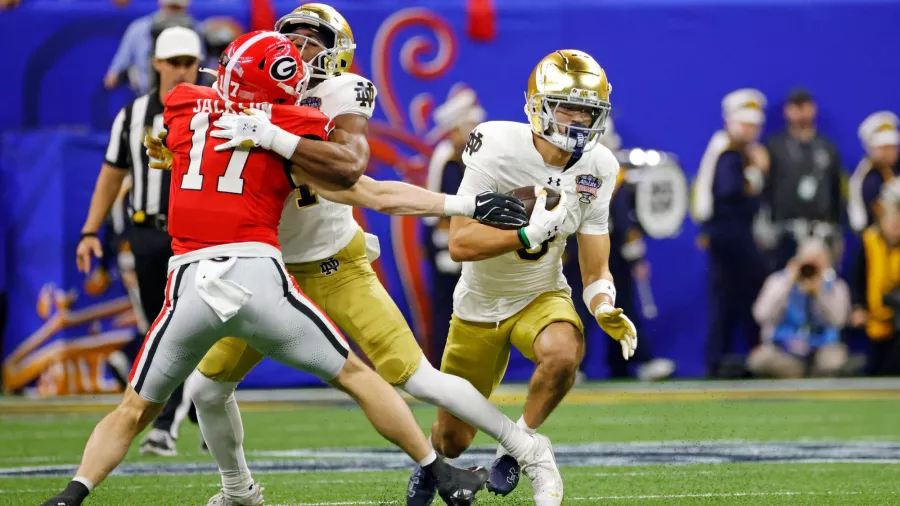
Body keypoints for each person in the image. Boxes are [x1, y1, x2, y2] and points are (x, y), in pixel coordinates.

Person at [41, 31, 490, 506]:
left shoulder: (182, 104)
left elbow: (198, 118)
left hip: (191, 280)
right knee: (357, 375)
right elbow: (349, 173)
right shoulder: (295, 119)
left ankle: (74, 493)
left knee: (136, 408)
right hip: (258, 275)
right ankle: (439, 472)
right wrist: (282, 129)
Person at [146, 6, 558, 506]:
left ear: (336, 57)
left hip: (334, 264)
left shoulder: (337, 95)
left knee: (417, 377)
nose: (298, 52)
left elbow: (353, 173)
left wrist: (273, 134)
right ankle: (238, 491)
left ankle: (527, 447)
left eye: (312, 43)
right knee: (207, 389)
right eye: (290, 41)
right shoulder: (244, 94)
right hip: (266, 270)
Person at [405, 49, 638, 506]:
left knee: (564, 352)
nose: (579, 118)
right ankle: (431, 462)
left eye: (588, 109)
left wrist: (604, 303)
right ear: (537, 104)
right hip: (478, 302)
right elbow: (461, 243)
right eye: (567, 105)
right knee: (452, 439)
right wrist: (528, 232)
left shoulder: (599, 166)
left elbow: (594, 267)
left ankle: (520, 446)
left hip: (541, 294)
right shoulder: (495, 144)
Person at [78, 27, 204, 456]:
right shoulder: (132, 115)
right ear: (156, 63)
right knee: (158, 327)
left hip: (201, 233)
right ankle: (199, 413)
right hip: (148, 231)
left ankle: (169, 421)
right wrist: (90, 231)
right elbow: (111, 177)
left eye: (189, 61)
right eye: (174, 62)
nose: (182, 69)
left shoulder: (216, 110)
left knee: (195, 326)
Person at [692, 89, 770, 378]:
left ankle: (726, 358)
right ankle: (720, 358)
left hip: (731, 234)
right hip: (730, 235)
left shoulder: (734, 152)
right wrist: (756, 175)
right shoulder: (730, 155)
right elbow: (730, 193)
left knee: (734, 298)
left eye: (754, 125)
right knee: (730, 298)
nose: (750, 130)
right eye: (745, 124)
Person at [425, 88, 486, 362]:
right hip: (446, 244)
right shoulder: (447, 160)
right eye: (468, 127)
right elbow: (441, 208)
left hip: (468, 240)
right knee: (447, 306)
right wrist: (444, 247)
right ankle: (445, 361)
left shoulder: (468, 160)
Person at [764, 88, 844, 269]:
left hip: (820, 232)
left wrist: (837, 228)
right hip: (784, 233)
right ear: (787, 111)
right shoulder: (774, 146)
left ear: (813, 109)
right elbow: (766, 189)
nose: (800, 112)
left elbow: (836, 190)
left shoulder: (827, 147)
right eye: (795, 106)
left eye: (805, 106)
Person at [748, 238, 850, 378]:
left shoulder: (836, 285)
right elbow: (761, 315)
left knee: (833, 361)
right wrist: (788, 283)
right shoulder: (778, 281)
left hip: (822, 349)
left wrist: (819, 293)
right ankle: (800, 376)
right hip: (785, 351)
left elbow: (839, 321)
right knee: (760, 360)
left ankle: (809, 378)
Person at [849, 179, 900, 375]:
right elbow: (857, 278)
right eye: (892, 220)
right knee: (875, 369)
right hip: (875, 320)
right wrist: (858, 306)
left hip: (897, 319)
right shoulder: (869, 243)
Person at [105, 0, 198, 95]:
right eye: (171, 7)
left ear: (186, 7)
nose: (173, 14)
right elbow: (112, 78)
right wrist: (127, 74)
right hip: (146, 94)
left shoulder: (197, 30)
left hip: (188, 98)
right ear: (161, 4)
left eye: (177, 8)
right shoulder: (139, 29)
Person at [848, 111, 900, 233]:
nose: (889, 152)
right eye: (883, 147)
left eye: (893, 146)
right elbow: (859, 222)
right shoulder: (864, 179)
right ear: (870, 148)